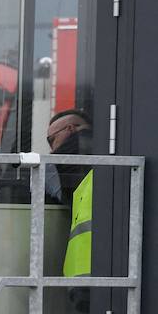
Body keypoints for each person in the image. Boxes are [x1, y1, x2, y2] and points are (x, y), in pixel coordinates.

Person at [46, 109, 93, 279]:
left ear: (70, 129)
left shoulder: (57, 163)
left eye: (51, 140)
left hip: (83, 262)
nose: (52, 149)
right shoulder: (112, 148)